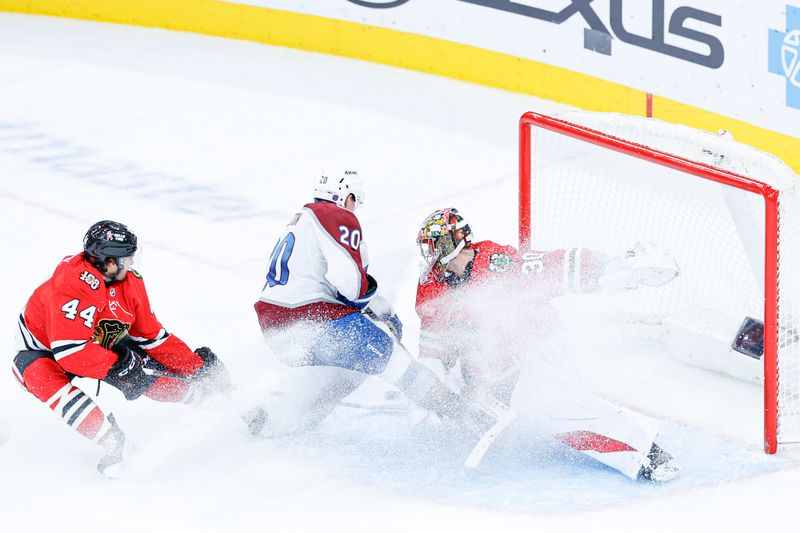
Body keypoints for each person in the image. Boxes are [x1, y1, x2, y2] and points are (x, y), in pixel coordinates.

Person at [414, 207, 681, 481]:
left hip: (540, 350)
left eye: (438, 244)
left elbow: (552, 266)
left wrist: (614, 267)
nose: (433, 256)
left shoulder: (497, 264)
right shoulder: (432, 289)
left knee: (559, 410)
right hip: (499, 373)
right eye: (429, 248)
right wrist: (441, 397)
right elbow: (434, 353)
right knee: (546, 406)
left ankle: (645, 454)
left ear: (458, 240)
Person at [249, 168, 500, 438]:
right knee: (396, 362)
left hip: (277, 329)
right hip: (315, 320)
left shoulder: (300, 220)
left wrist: (379, 307)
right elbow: (348, 283)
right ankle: (466, 416)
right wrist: (376, 306)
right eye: (354, 200)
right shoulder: (336, 215)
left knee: (353, 367)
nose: (354, 208)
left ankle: (285, 420)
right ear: (346, 196)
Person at [12, 220, 230, 475]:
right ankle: (113, 444)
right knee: (44, 379)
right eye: (128, 257)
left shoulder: (131, 284)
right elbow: (70, 353)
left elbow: (152, 338)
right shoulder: (72, 284)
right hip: (44, 350)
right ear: (110, 262)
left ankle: (211, 399)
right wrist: (117, 365)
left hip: (95, 344)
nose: (133, 263)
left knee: (141, 377)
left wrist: (197, 367)